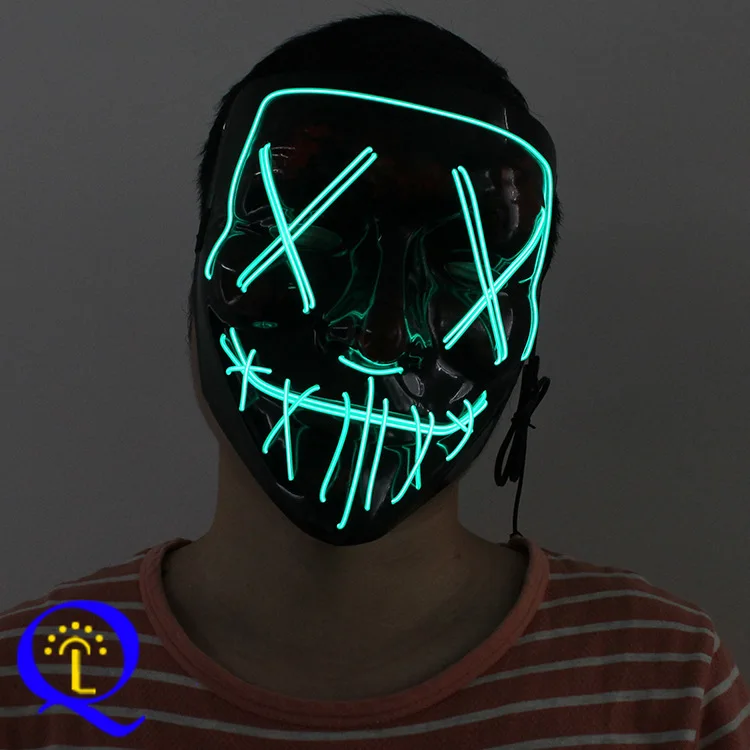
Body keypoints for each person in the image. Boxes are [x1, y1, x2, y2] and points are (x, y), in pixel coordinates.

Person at [1, 11, 748, 749]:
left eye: (462, 269)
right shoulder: (30, 684)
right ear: (199, 283)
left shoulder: (667, 685)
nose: (381, 338)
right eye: (314, 243)